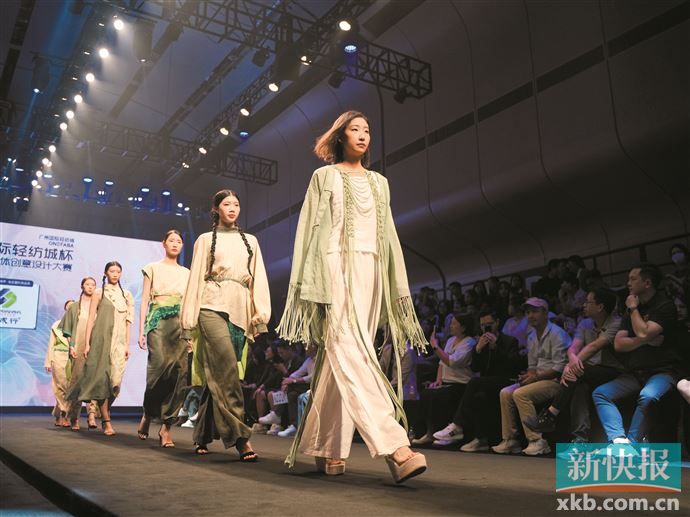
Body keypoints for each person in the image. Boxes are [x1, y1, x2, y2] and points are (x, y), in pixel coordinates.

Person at [277, 110, 428, 483]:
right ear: (340, 136)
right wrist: (311, 283)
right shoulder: (324, 176)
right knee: (351, 350)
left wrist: (394, 282)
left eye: (366, 130)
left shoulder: (380, 183)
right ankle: (396, 446)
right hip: (334, 267)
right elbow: (309, 230)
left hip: (371, 271)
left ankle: (326, 447)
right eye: (354, 129)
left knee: (342, 358)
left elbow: (389, 235)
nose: (362, 135)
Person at [180, 189, 271, 461]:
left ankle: (201, 435)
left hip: (240, 311)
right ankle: (241, 437)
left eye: (236, 204)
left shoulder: (251, 241)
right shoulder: (205, 239)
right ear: (216, 209)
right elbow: (196, 278)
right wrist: (188, 321)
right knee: (228, 370)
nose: (232, 208)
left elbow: (259, 278)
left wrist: (260, 315)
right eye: (226, 204)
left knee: (219, 374)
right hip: (211, 306)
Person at [592, 264, 681, 444]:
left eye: (633, 279)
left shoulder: (664, 305)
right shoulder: (631, 308)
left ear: (647, 283)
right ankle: (619, 440)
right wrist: (646, 339)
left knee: (648, 396)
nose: (628, 283)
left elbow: (642, 332)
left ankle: (632, 444)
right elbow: (619, 344)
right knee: (601, 393)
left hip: (663, 371)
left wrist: (634, 310)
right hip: (636, 373)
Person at [525, 288, 622, 442]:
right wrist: (571, 360)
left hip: (612, 371)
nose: (584, 305)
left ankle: (550, 415)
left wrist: (571, 367)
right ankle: (579, 439)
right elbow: (573, 347)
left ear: (600, 307)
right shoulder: (585, 323)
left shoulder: (616, 323)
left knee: (577, 373)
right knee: (579, 388)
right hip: (587, 371)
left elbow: (594, 347)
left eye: (588, 302)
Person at [433, 310, 523, 451]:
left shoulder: (509, 341)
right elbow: (475, 368)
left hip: (505, 380)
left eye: (489, 324)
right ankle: (481, 440)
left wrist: (496, 347)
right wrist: (478, 350)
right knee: (478, 397)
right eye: (482, 325)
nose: (486, 328)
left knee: (474, 382)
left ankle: (457, 426)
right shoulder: (480, 341)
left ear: (497, 322)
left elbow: (513, 366)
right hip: (487, 384)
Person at [493, 298, 570, 456]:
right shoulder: (532, 336)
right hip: (539, 379)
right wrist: (527, 376)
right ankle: (510, 440)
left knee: (520, 393)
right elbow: (532, 366)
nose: (530, 315)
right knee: (505, 392)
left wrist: (534, 377)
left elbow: (559, 368)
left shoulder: (557, 334)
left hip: (555, 382)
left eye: (535, 311)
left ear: (545, 313)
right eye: (528, 312)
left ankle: (537, 440)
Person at [137, 230, 190, 448]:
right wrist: (141, 330)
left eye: (179, 241)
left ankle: (166, 427)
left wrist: (191, 333)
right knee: (157, 369)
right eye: (171, 241)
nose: (175, 244)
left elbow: (190, 304)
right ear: (164, 243)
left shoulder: (187, 273)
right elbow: (144, 300)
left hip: (180, 324)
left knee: (179, 374)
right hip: (157, 321)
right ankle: (148, 413)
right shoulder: (152, 268)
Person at [67, 262, 134, 436]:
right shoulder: (99, 292)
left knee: (115, 383)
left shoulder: (126, 295)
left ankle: (100, 411)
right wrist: (88, 343)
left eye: (118, 271)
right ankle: (106, 420)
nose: (115, 274)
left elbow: (128, 322)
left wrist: (127, 344)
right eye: (112, 271)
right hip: (101, 340)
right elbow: (91, 319)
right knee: (103, 380)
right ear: (105, 273)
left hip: (119, 342)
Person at [412, 314, 475, 446]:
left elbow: (452, 362)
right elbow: (441, 363)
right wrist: (438, 380)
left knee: (439, 396)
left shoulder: (469, 342)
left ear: (463, 327)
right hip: (446, 382)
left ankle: (445, 434)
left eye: (454, 323)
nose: (451, 326)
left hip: (460, 383)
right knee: (426, 393)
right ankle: (427, 433)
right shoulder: (451, 340)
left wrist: (435, 346)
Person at [61, 277, 98, 430]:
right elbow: (68, 329)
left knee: (93, 380)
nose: (90, 287)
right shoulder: (75, 307)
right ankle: (74, 417)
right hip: (78, 346)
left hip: (94, 346)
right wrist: (72, 346)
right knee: (77, 381)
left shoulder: (98, 306)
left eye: (93, 285)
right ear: (82, 286)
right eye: (87, 284)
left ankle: (92, 415)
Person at [45, 300, 75, 428]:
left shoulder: (79, 325)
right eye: (68, 307)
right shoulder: (57, 325)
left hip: (73, 358)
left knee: (69, 388)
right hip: (58, 357)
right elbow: (51, 344)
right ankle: (65, 414)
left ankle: (58, 414)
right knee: (60, 386)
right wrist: (48, 361)